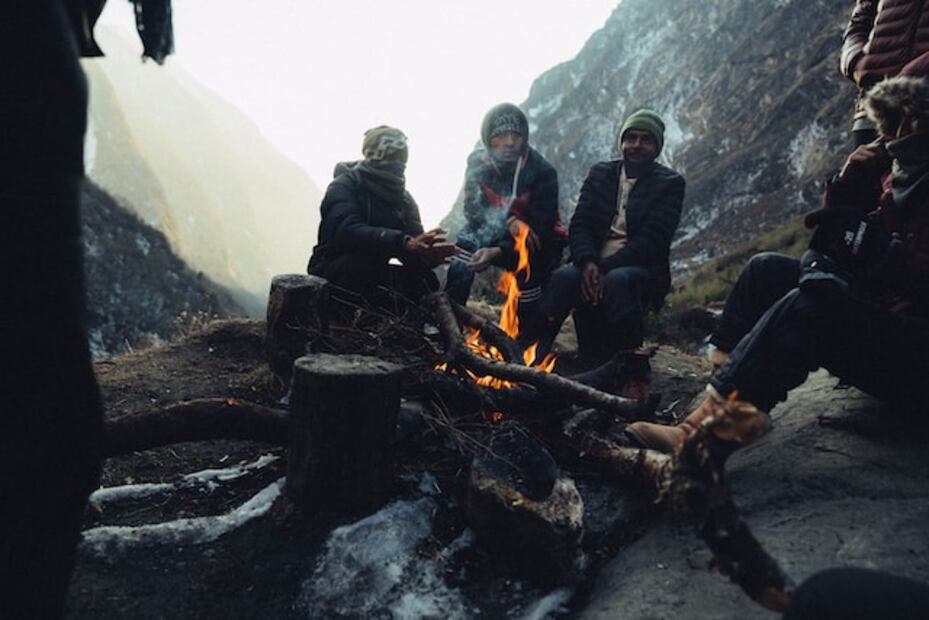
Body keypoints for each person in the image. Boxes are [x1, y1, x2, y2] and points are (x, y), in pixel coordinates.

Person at [625, 73, 929, 452]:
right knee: (766, 270)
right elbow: (840, 244)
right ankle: (718, 393)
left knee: (812, 306)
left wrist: (889, 259)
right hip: (893, 320)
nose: (901, 132)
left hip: (917, 361)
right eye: (897, 120)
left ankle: (704, 437)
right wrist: (847, 185)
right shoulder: (900, 176)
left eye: (915, 117)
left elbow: (891, 265)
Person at [538, 109, 685, 391]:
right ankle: (530, 354)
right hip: (592, 263)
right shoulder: (601, 173)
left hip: (640, 270)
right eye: (630, 137)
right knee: (563, 278)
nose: (637, 145)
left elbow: (652, 242)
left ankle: (633, 374)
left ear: (656, 147)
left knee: (619, 281)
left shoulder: (670, 184)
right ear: (621, 142)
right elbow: (579, 223)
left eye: (646, 140)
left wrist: (603, 268)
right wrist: (588, 263)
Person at [445, 103, 565, 337]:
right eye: (500, 135)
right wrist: (510, 223)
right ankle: (449, 319)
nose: (509, 142)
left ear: (525, 138)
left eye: (516, 135)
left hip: (537, 239)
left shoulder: (543, 172)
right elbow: (473, 210)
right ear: (488, 140)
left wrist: (499, 251)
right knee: (465, 243)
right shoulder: (477, 164)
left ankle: (525, 336)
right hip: (498, 231)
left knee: (530, 261)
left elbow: (543, 228)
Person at [307, 126, 455, 305]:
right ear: (373, 156)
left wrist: (427, 256)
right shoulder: (345, 185)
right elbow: (345, 231)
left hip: (374, 271)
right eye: (390, 156)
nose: (397, 164)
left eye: (401, 158)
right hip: (334, 269)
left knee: (425, 280)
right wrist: (403, 243)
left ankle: (415, 328)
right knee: (356, 267)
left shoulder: (405, 200)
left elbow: (412, 248)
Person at [840, 0, 929, 146]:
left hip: (922, 109)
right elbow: (859, 20)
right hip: (874, 108)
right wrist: (856, 62)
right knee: (862, 166)